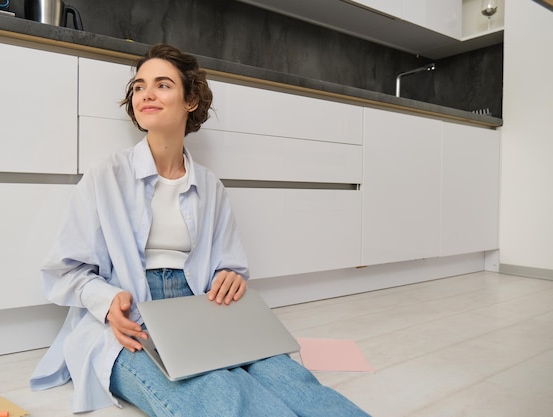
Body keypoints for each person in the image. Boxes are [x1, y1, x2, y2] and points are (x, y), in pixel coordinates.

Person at [30, 44, 371, 417]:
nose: (146, 94)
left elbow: (231, 267)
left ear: (190, 100)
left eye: (162, 85)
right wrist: (108, 301)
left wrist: (229, 278)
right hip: (129, 320)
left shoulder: (210, 187)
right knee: (219, 394)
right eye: (139, 86)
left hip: (201, 308)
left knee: (283, 373)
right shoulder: (105, 176)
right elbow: (64, 272)